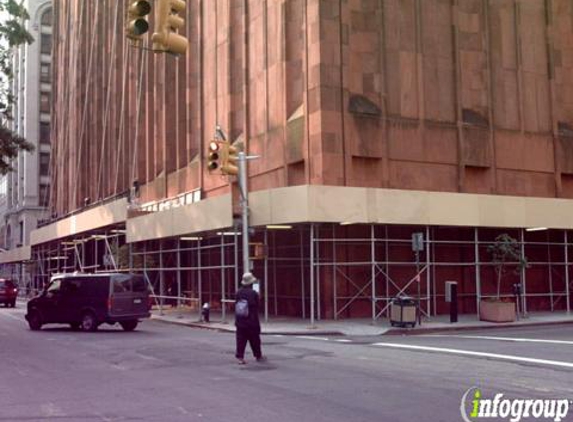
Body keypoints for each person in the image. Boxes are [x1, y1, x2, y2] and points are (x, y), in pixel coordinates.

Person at [234, 272, 264, 364]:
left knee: (241, 340)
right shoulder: (253, 293)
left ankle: (240, 357)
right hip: (252, 320)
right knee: (255, 339)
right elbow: (258, 305)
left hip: (240, 320)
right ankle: (258, 355)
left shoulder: (238, 292)